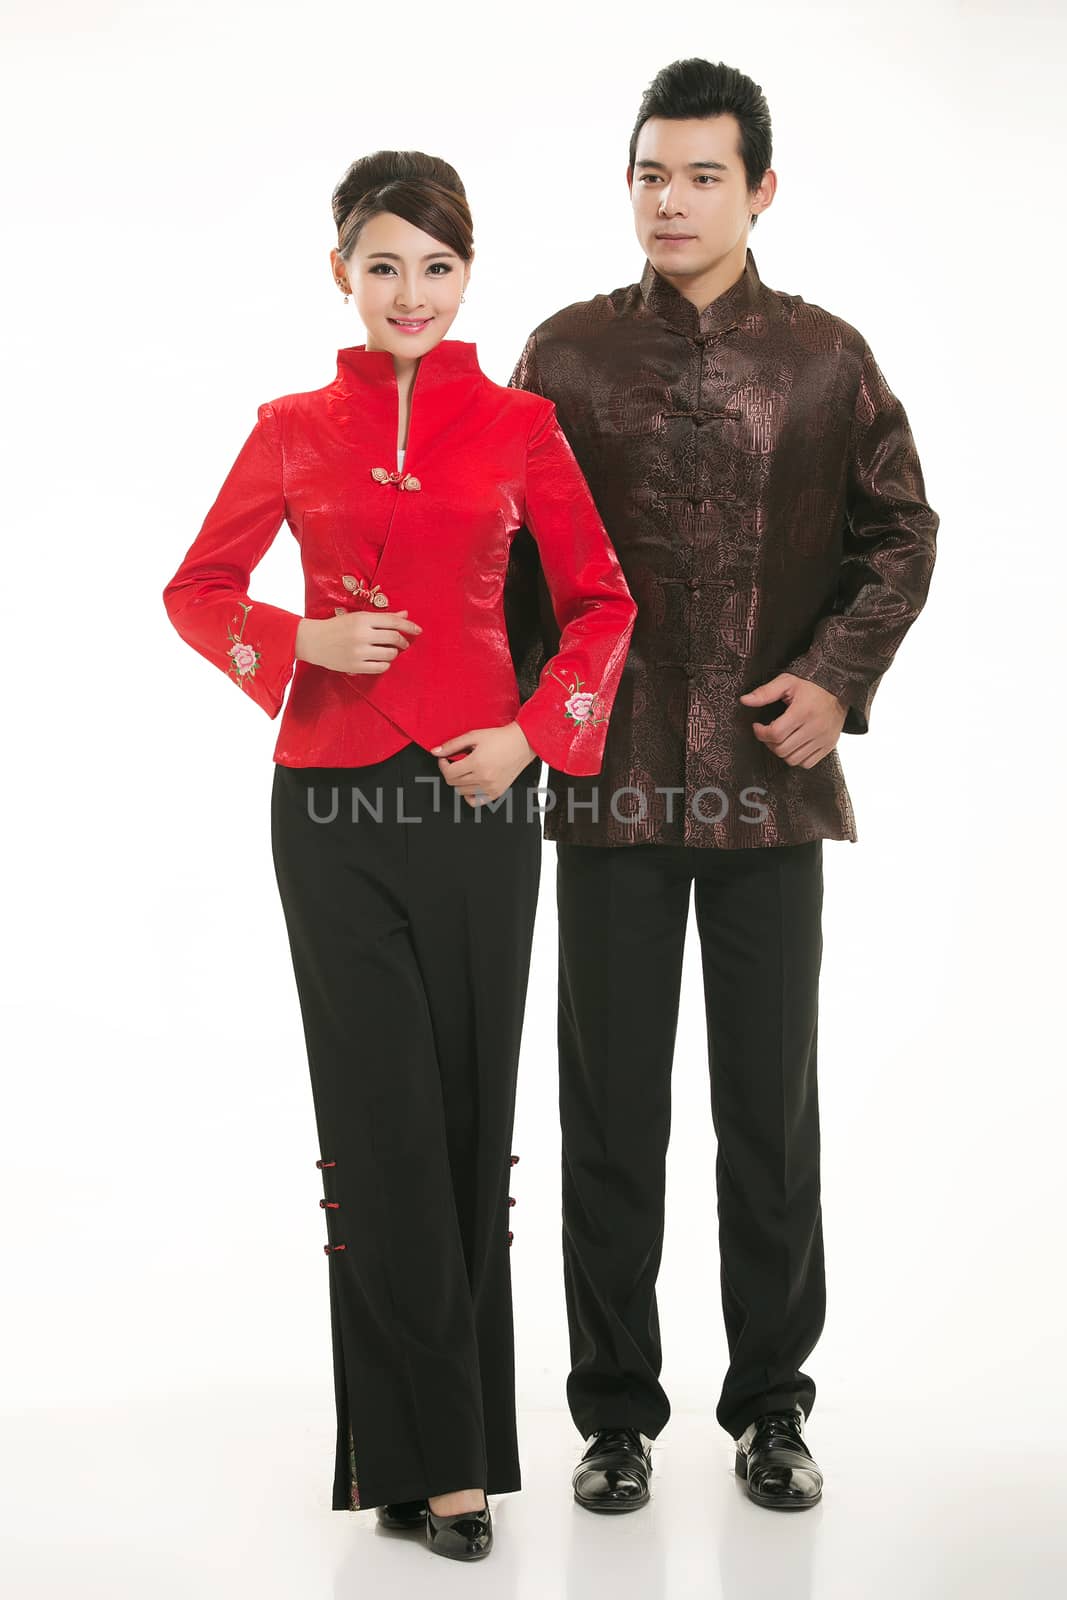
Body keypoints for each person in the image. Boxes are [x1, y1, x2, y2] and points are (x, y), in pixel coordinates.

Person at [162, 150, 637, 1563]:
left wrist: (538, 738)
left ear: (466, 276)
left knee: (463, 1131)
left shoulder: (523, 428)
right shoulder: (293, 426)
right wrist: (297, 639)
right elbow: (194, 589)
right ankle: (433, 1470)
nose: (411, 293)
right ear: (342, 274)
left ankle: (437, 1450)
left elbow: (606, 606)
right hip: (329, 815)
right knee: (375, 1141)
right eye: (384, 265)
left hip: (480, 809)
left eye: (437, 266)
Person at [505, 58, 938, 1514]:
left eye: (701, 175)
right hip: (614, 791)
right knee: (609, 1112)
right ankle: (615, 1411)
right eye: (649, 173)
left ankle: (770, 1408)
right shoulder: (563, 358)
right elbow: (508, 565)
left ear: (761, 188)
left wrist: (834, 678)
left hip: (765, 791)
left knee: (770, 1111)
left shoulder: (825, 360)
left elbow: (900, 530)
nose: (671, 201)